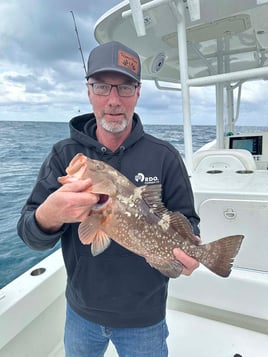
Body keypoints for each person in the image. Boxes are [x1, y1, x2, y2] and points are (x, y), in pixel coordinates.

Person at [17, 41, 200, 357]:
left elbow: (187, 219)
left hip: (145, 317)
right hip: (81, 313)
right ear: (89, 91)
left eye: (125, 88)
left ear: (138, 93)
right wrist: (50, 214)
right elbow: (31, 235)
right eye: (102, 87)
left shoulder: (165, 157)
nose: (113, 100)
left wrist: (193, 248)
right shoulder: (64, 155)